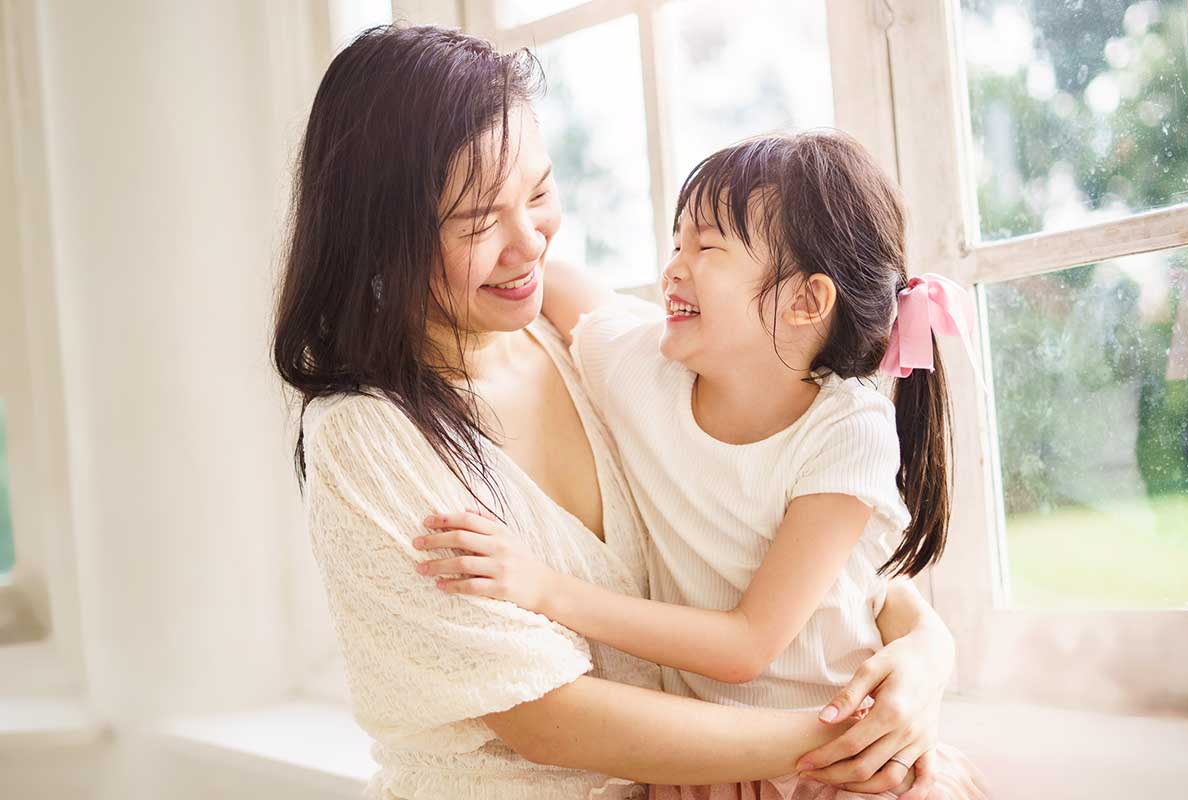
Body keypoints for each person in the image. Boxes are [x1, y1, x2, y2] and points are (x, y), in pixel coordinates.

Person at [273, 24, 978, 800]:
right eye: (479, 222)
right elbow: (541, 714)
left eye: (539, 193)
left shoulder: (585, 341)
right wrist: (837, 745)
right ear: (380, 240)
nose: (528, 244)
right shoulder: (369, 437)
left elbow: (792, 554)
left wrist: (921, 656)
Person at [416, 131, 985, 800]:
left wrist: (542, 588)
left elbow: (747, 645)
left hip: (845, 747)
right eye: (676, 243)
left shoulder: (847, 432)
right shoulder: (640, 366)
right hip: (705, 756)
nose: (674, 269)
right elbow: (547, 282)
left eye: (707, 248)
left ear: (806, 302)